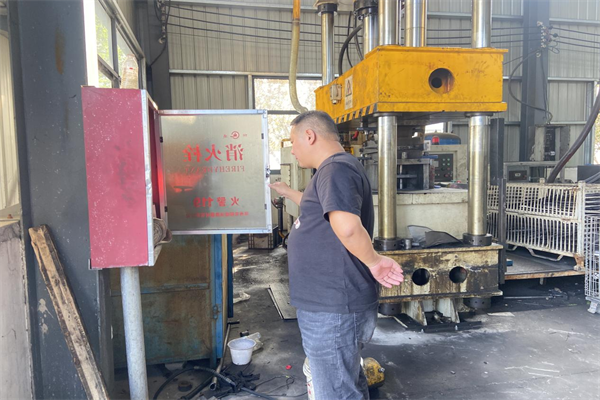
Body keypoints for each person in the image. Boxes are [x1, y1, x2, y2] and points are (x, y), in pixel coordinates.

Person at [269, 111, 404, 400]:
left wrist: (375, 262)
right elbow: (319, 206)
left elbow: (348, 227)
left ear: (310, 136)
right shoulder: (332, 171)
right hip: (331, 305)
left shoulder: (335, 169)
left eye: (293, 141)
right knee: (344, 383)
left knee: (336, 392)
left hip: (333, 307)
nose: (292, 150)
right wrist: (287, 191)